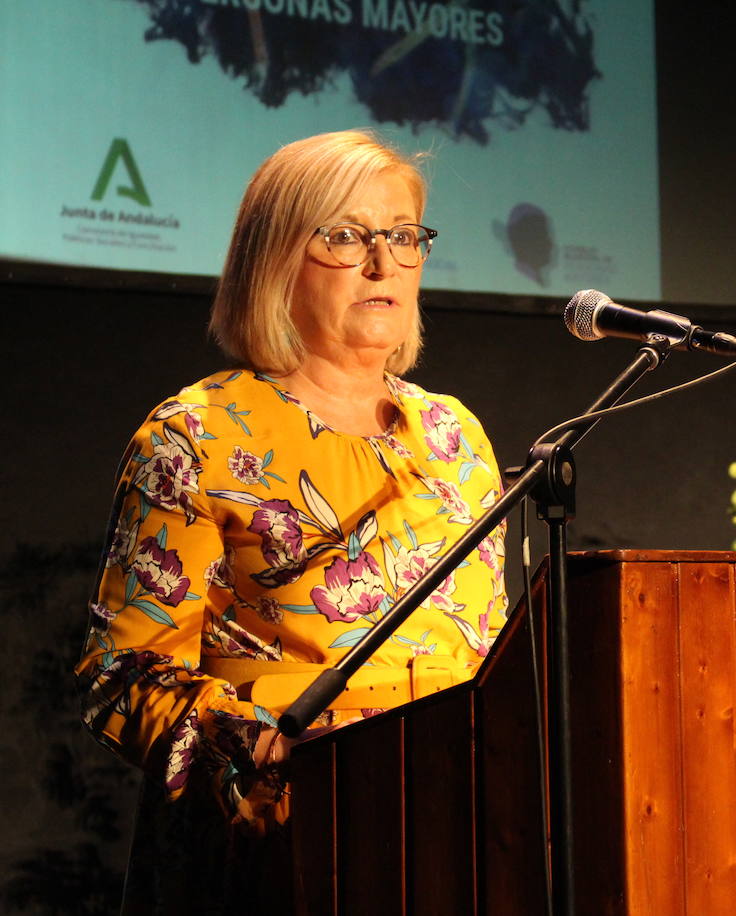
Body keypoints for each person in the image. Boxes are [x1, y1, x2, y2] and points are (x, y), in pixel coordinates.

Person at [75, 130, 508, 915]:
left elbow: (494, 656)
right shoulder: (196, 436)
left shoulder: (455, 437)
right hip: (285, 846)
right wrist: (251, 746)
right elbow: (125, 675)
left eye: (403, 236)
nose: (382, 264)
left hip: (461, 836)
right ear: (274, 260)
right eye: (344, 237)